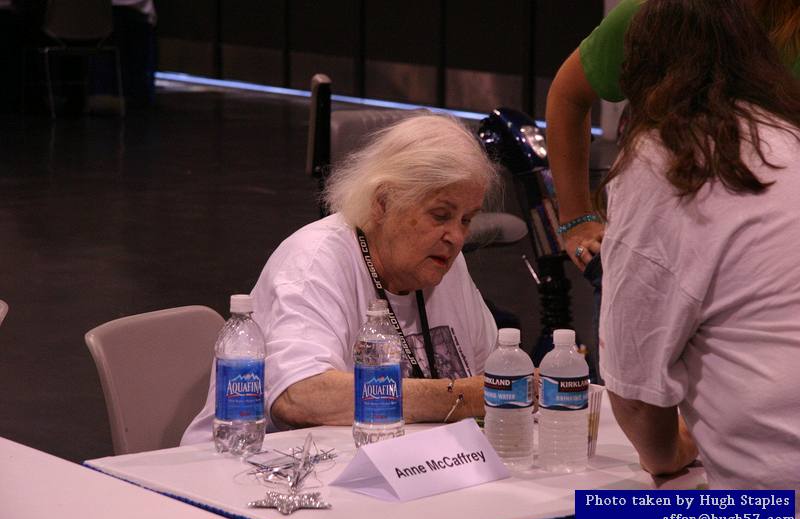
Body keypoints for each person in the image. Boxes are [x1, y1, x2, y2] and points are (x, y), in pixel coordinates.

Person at [182, 113, 500, 442]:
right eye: (441, 215)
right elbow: (299, 396)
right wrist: (457, 398)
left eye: (466, 219)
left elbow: (493, 381)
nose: (457, 237)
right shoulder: (314, 260)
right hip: (250, 469)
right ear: (384, 202)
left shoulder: (446, 263)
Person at [598, 0, 800, 498]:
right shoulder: (789, 142)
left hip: (768, 507)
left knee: (606, 510)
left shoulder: (662, 162)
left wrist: (668, 458)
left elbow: (635, 391)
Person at [545, 0, 800, 271]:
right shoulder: (655, 11)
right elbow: (568, 96)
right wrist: (576, 220)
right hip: (666, 248)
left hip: (775, 252)